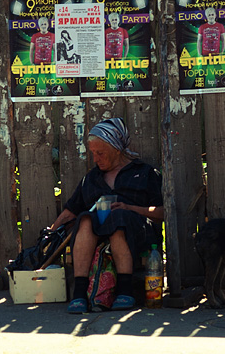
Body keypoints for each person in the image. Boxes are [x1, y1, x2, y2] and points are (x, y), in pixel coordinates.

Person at [49, 118, 165, 314]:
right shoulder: (91, 178)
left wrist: (130, 208)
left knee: (118, 216)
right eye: (93, 153)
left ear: (117, 149)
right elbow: (70, 211)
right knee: (85, 219)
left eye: (100, 153)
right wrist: (50, 234)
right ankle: (79, 294)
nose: (96, 158)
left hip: (138, 233)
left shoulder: (145, 173)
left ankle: (125, 291)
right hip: (98, 233)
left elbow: (162, 213)